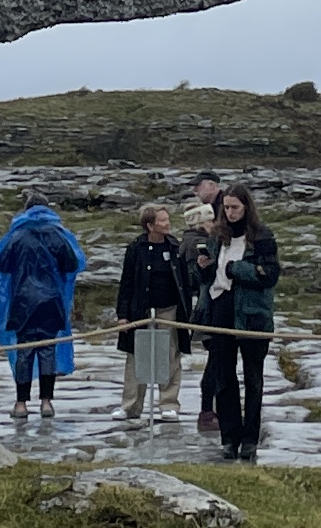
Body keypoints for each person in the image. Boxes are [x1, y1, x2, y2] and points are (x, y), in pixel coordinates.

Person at [195, 186, 280, 461]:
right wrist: (203, 267)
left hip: (252, 314)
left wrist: (236, 269)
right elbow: (207, 278)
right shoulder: (218, 237)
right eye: (227, 208)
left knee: (253, 379)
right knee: (224, 377)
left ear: (246, 207)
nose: (230, 213)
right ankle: (229, 438)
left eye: (235, 208)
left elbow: (269, 274)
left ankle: (250, 439)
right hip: (221, 307)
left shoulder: (262, 236)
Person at [0, 197, 85, 428]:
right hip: (51, 301)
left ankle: (21, 403)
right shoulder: (58, 235)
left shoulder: (16, 236)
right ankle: (46, 402)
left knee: (23, 351)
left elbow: (1, 265)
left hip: (22, 301)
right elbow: (72, 264)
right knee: (47, 350)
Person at [115, 204, 190, 424]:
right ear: (150, 225)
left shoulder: (176, 247)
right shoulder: (135, 248)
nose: (167, 224)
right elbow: (126, 282)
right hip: (141, 311)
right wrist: (123, 314)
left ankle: (168, 405)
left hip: (170, 310)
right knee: (137, 357)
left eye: (167, 219)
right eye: (162, 220)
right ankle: (131, 405)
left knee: (170, 356)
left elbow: (185, 281)